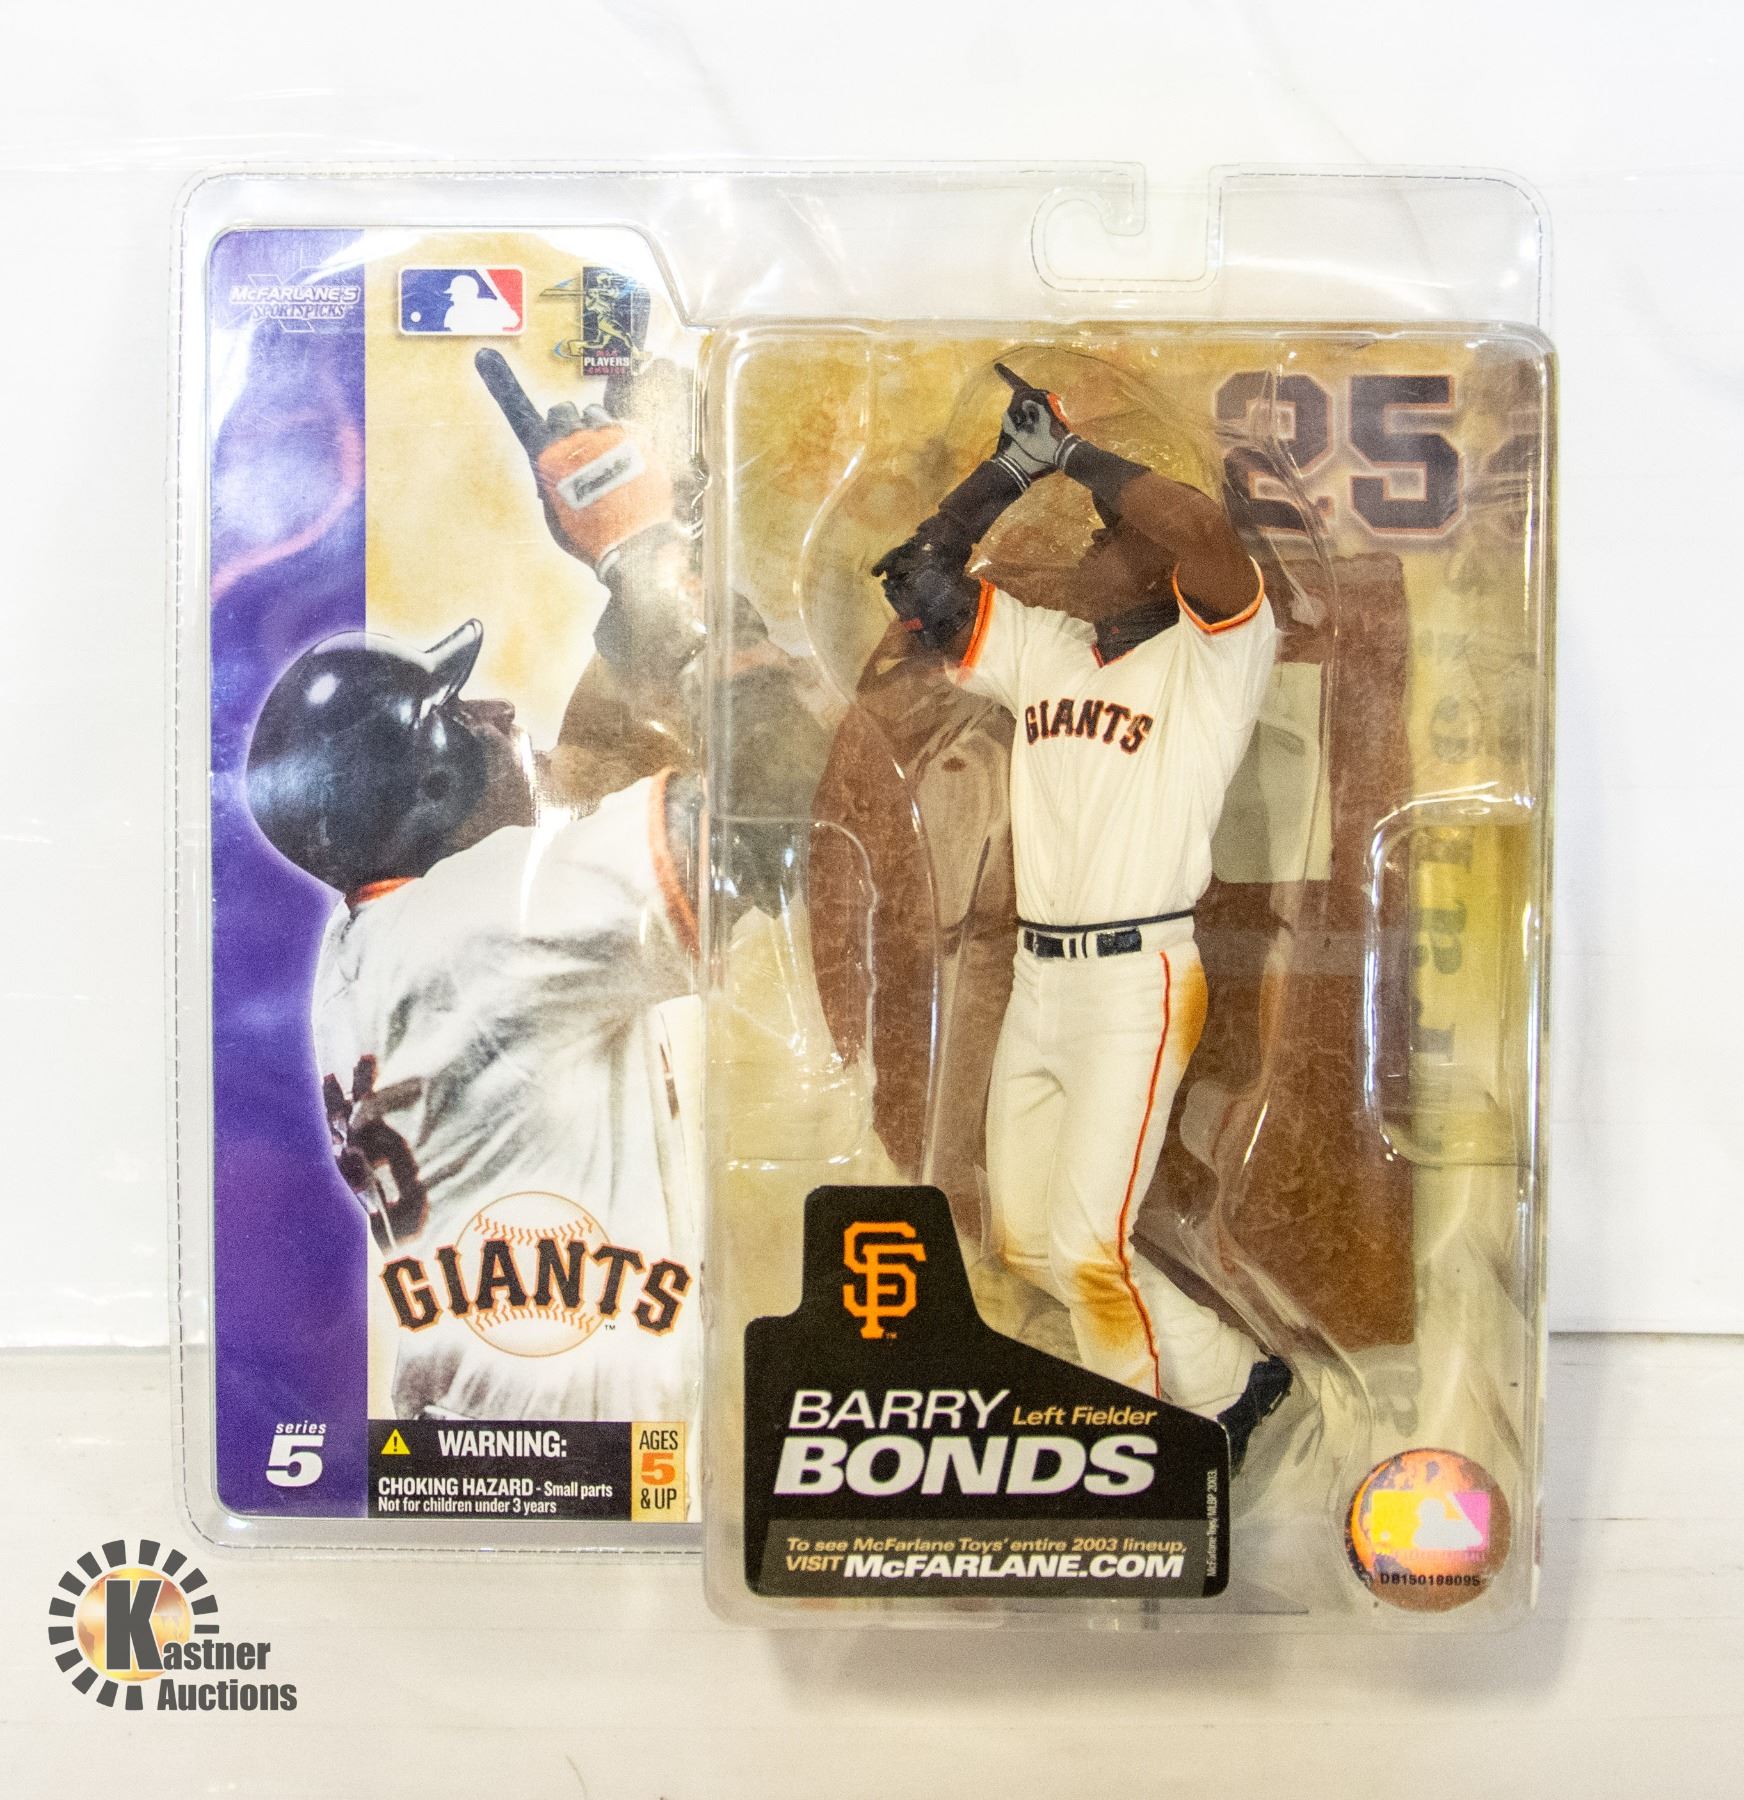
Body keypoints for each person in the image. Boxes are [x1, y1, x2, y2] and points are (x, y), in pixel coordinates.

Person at [872, 363, 1292, 1466]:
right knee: (1028, 1243)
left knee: (1089, 1251)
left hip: (1136, 983)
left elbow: (1202, 526)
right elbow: (915, 578)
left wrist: (1079, 456)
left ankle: (1135, 1460)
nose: (1086, 549)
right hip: (1042, 979)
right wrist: (1007, 471)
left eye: (1109, 536)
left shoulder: (1214, 656)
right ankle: (1231, 1378)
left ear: (1154, 559)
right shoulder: (1046, 648)